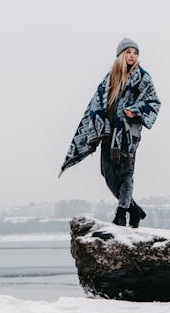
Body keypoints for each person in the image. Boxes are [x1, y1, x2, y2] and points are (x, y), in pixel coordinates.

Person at [60, 38, 162, 227]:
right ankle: (135, 210)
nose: (132, 56)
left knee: (125, 174)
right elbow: (95, 104)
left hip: (127, 133)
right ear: (121, 55)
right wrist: (96, 127)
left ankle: (122, 213)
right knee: (107, 173)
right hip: (108, 133)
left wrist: (136, 111)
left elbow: (154, 102)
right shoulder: (110, 78)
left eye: (135, 53)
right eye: (129, 52)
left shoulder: (143, 77)